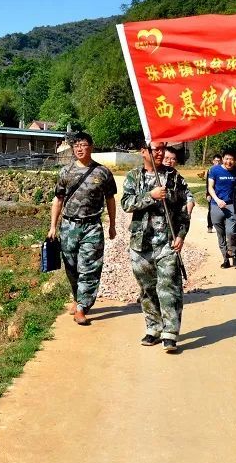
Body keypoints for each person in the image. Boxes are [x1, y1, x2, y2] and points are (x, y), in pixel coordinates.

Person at [122, 141, 191, 353]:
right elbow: (126, 203)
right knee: (147, 289)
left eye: (162, 149)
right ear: (144, 152)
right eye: (154, 149)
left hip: (167, 242)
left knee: (169, 287)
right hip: (141, 243)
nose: (159, 153)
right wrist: (149, 196)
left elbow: (183, 209)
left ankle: (170, 333)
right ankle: (154, 328)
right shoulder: (134, 176)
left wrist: (181, 235)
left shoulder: (174, 177)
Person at [47, 131, 118, 326]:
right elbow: (58, 199)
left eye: (83, 144)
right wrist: (53, 226)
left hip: (92, 226)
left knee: (90, 267)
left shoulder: (103, 172)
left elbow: (110, 199)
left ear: (91, 147)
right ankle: (77, 297)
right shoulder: (65, 172)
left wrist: (112, 225)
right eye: (75, 145)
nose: (79, 148)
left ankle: (82, 307)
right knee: (71, 265)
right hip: (69, 226)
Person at [208, 150, 236, 268]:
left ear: (235, 160)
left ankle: (234, 253)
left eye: (231, 159)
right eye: (227, 159)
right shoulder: (215, 170)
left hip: (231, 206)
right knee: (220, 234)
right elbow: (210, 187)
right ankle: (225, 259)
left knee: (231, 232)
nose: (229, 161)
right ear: (223, 159)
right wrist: (217, 200)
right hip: (216, 205)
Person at [163, 149, 195, 216]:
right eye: (166, 158)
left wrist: (190, 202)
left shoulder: (179, 179)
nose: (169, 161)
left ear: (176, 161)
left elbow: (188, 194)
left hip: (174, 218)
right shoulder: (154, 175)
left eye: (173, 159)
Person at [205, 155, 221, 233]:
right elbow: (207, 184)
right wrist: (208, 194)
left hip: (220, 193)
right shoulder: (210, 170)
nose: (217, 163)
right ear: (213, 161)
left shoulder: (223, 170)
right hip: (211, 193)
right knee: (211, 210)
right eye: (216, 161)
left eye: (219, 161)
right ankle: (210, 226)